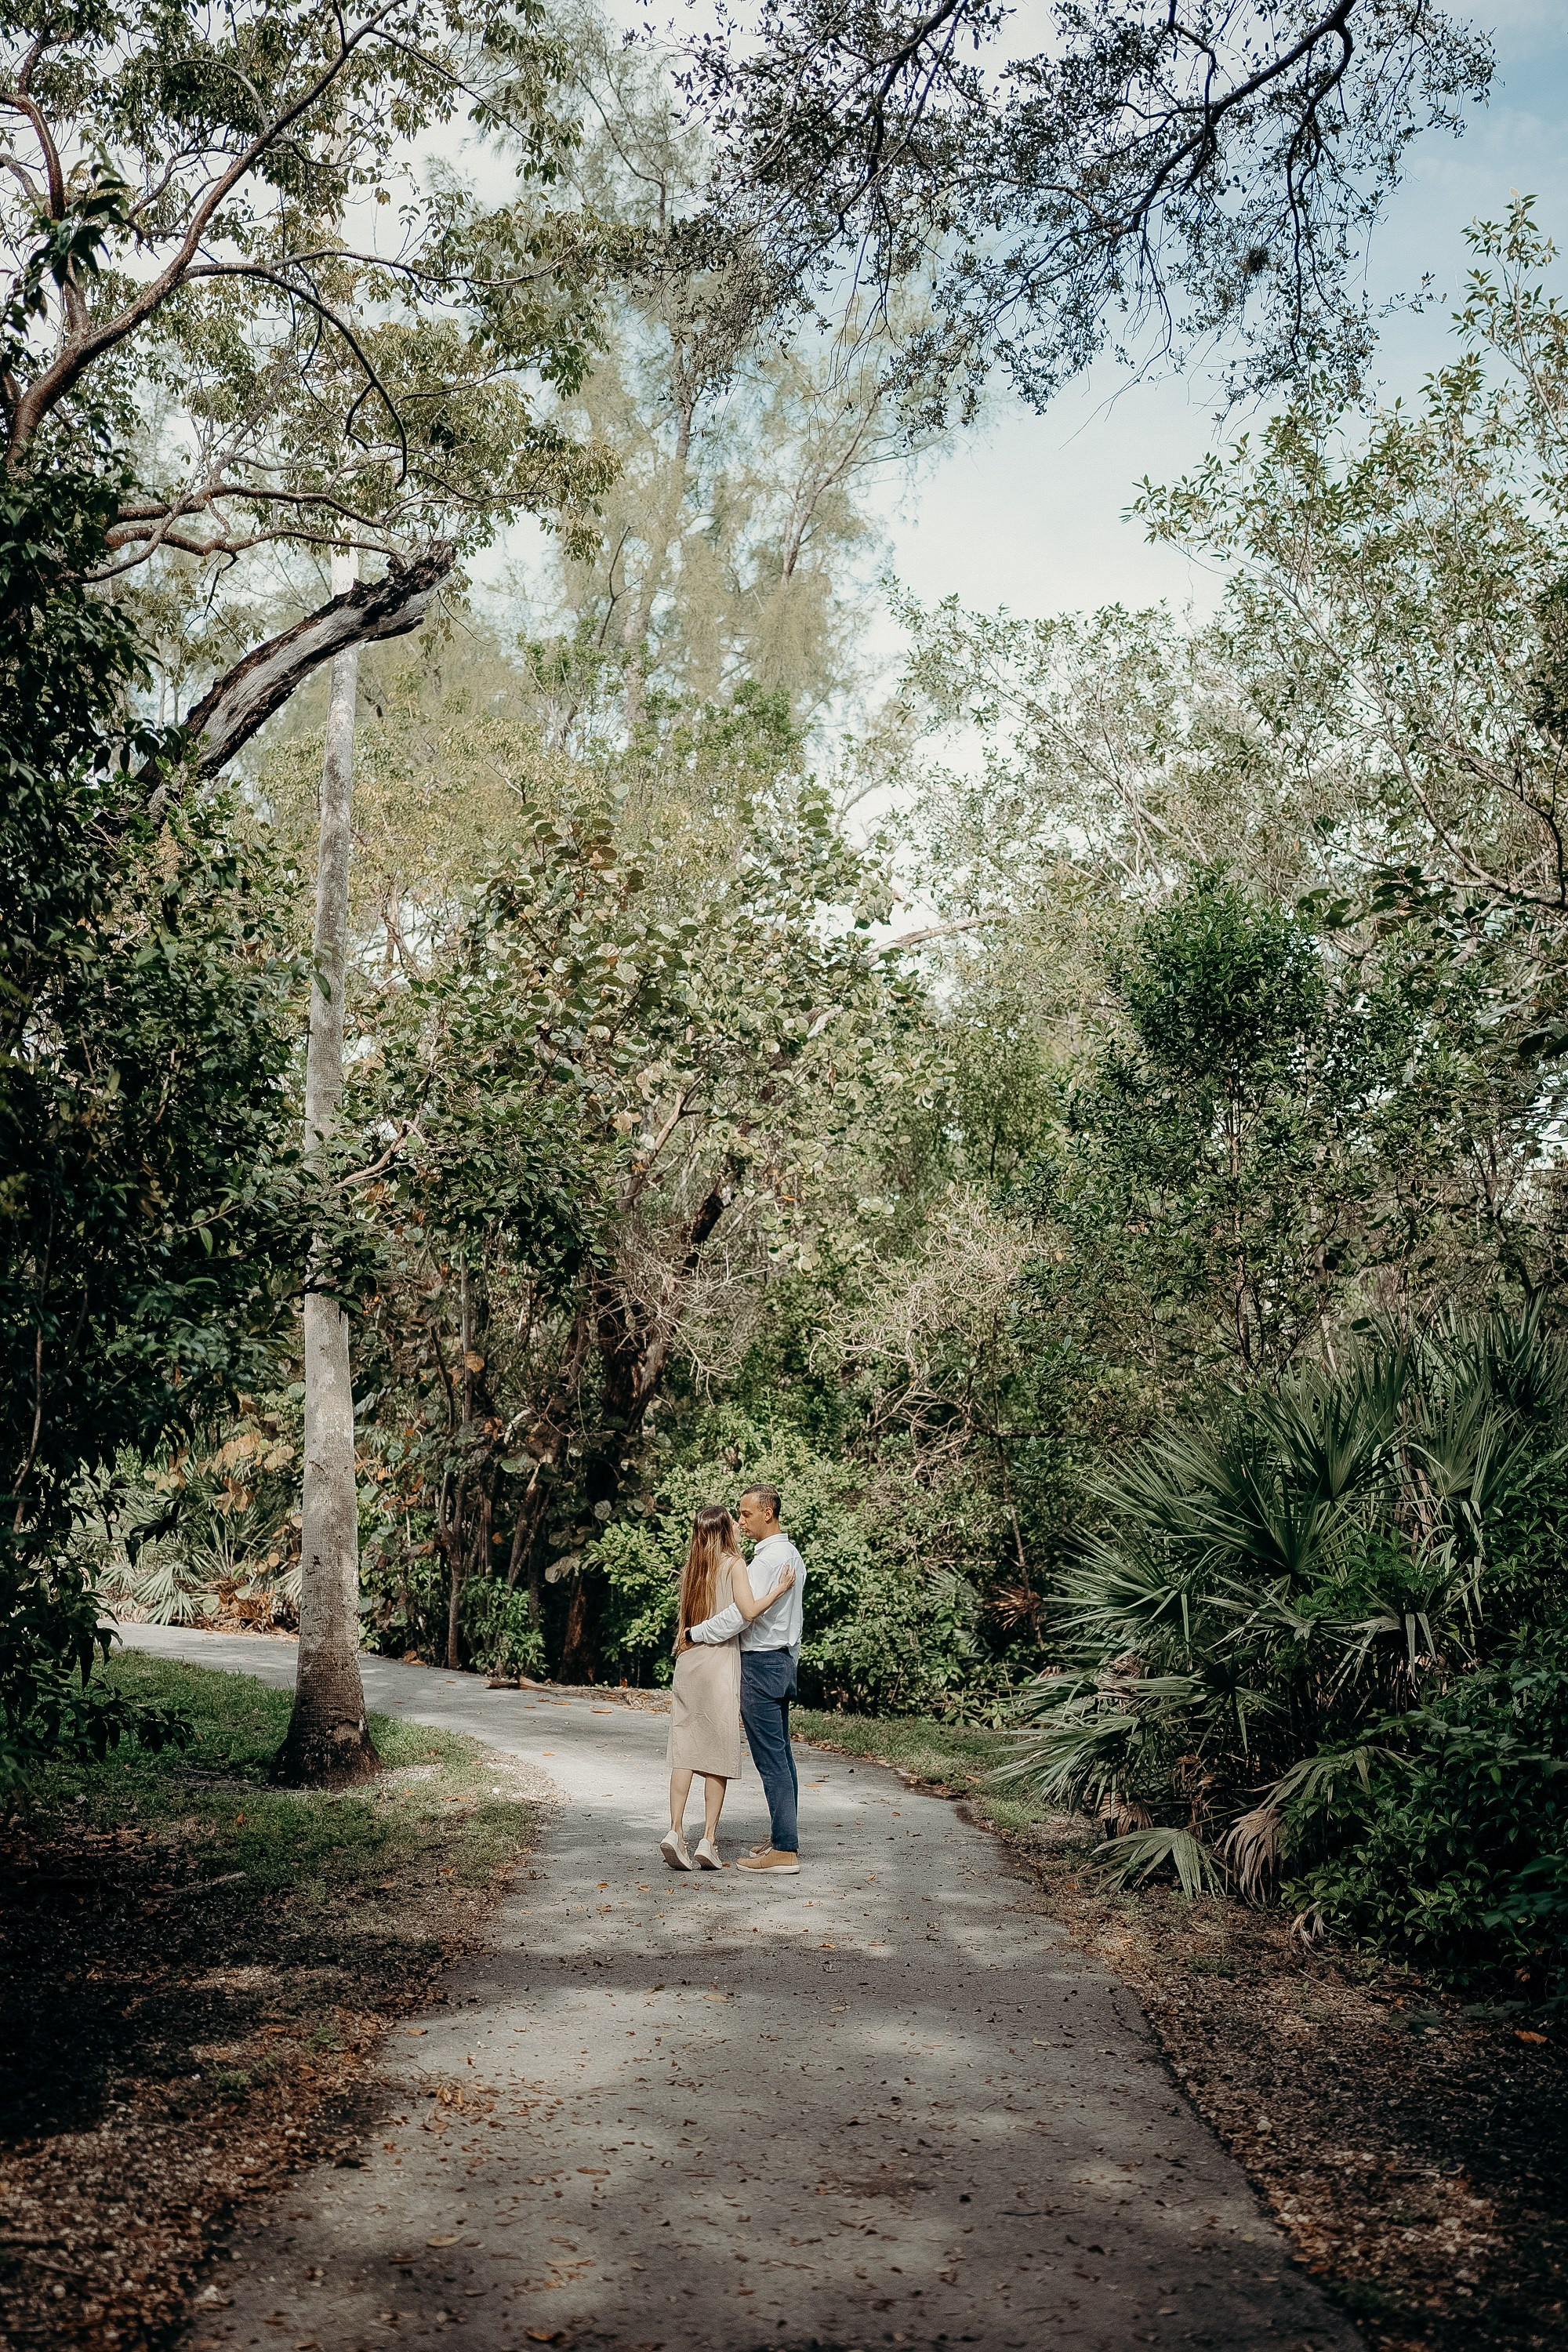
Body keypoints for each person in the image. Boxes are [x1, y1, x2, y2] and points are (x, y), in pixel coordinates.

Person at [662, 1504, 795, 1873]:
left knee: (684, 1750)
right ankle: (708, 1839)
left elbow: (686, 1624)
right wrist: (779, 1590)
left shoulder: (691, 1568)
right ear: (723, 1530)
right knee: (717, 1753)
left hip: (689, 1661)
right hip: (720, 1662)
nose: (739, 1524)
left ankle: (675, 1831)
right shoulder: (735, 1564)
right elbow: (748, 1612)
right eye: (734, 1521)